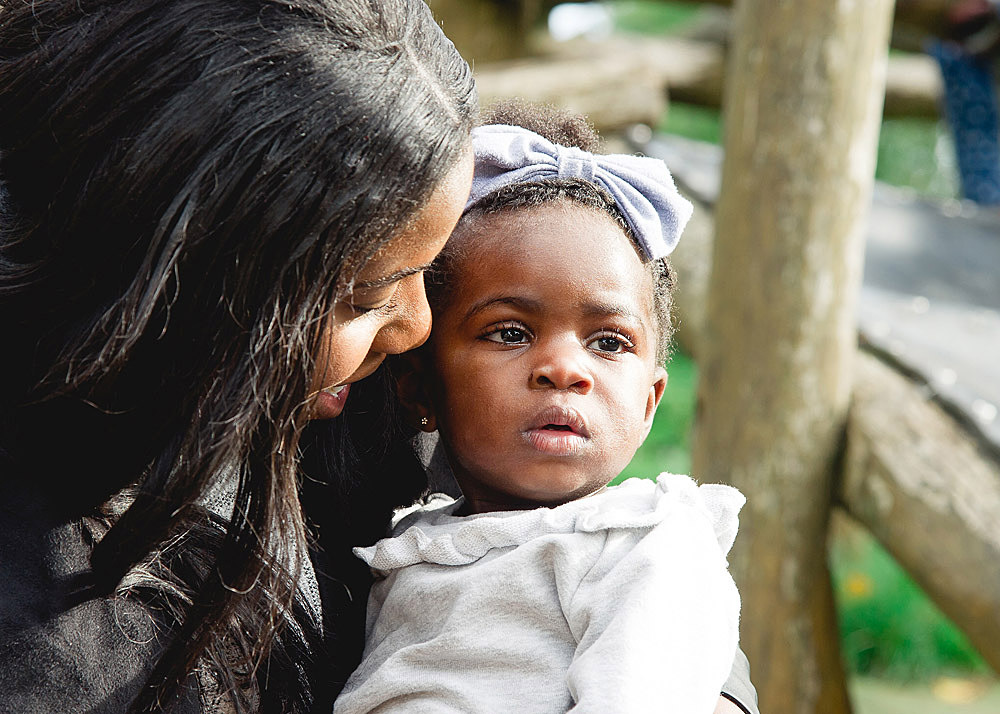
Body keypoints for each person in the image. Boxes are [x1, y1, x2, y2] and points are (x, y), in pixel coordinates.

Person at [0, 0, 475, 711]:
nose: (417, 325)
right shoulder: (51, 650)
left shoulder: (360, 407)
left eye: (428, 273)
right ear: (193, 285)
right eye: (364, 295)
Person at [333, 106, 752, 714]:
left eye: (609, 342)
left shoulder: (642, 544)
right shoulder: (409, 539)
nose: (565, 369)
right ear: (418, 387)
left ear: (649, 403)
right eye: (508, 332)